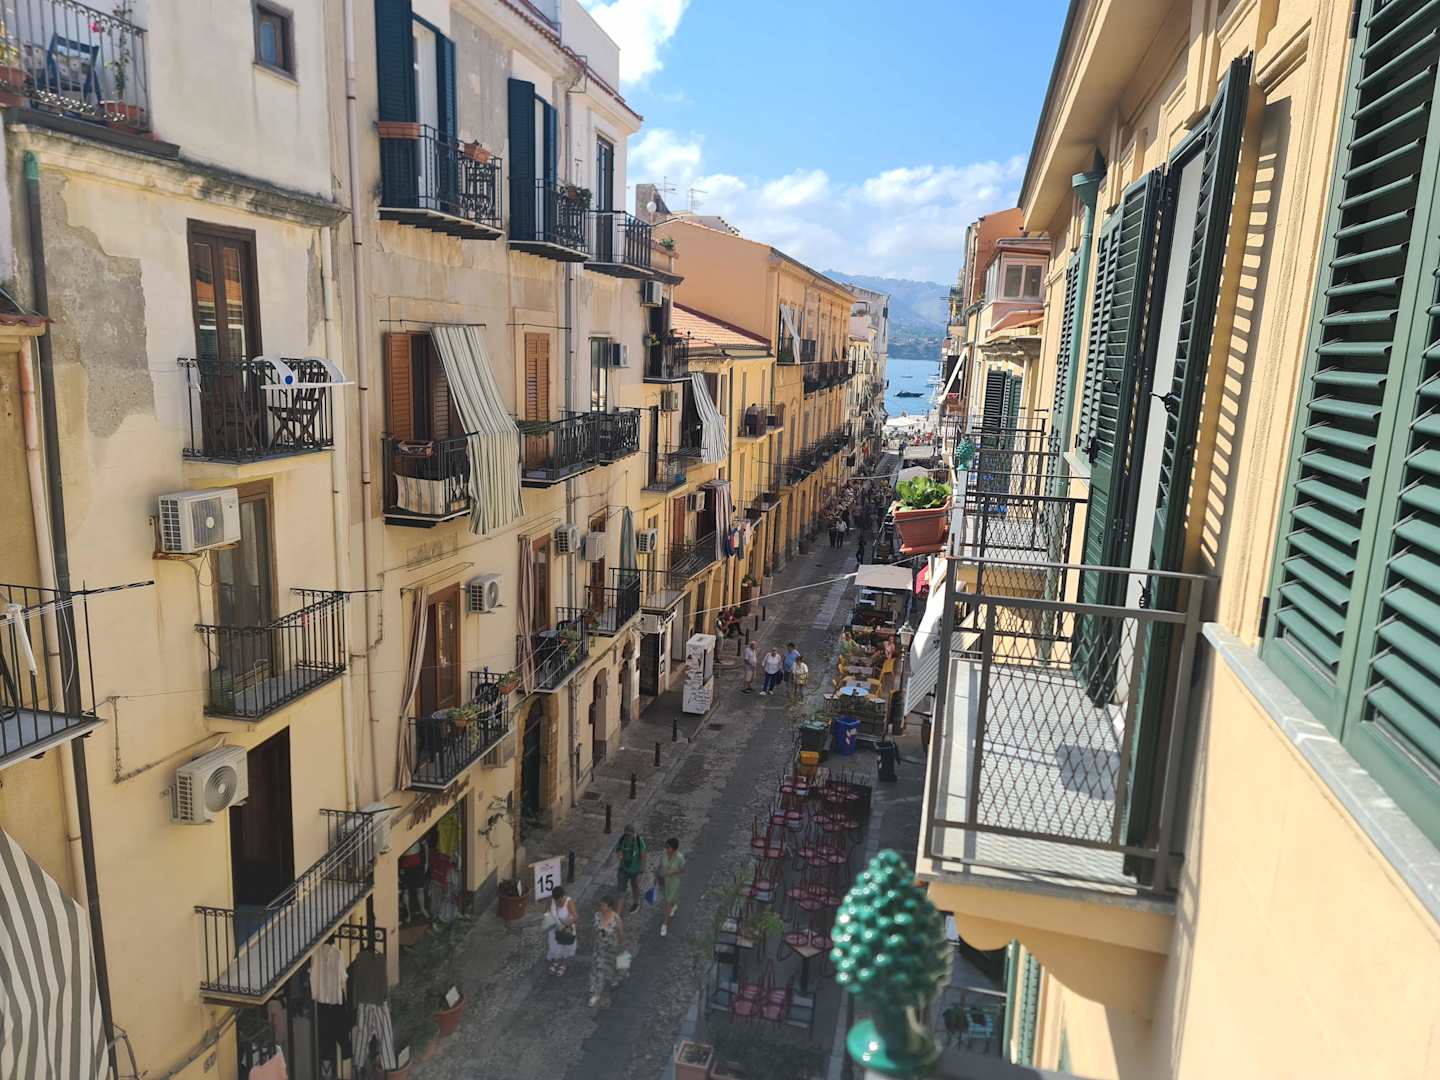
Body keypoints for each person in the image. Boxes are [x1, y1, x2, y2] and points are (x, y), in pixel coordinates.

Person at [589, 895, 625, 1008]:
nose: (601, 907)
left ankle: (600, 991)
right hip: (599, 947)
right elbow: (594, 930)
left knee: (608, 967)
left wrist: (620, 948)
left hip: (611, 948)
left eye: (604, 906)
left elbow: (621, 934)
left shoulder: (616, 918)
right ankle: (596, 990)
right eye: (601, 905)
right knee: (597, 968)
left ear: (610, 907)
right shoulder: (597, 915)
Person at [655, 838, 685, 937]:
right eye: (666, 846)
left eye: (668, 847)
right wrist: (657, 876)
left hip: (674, 882)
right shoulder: (664, 854)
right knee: (670, 899)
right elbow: (660, 865)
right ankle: (674, 905)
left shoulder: (680, 858)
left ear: (674, 849)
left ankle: (664, 924)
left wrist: (673, 871)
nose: (666, 848)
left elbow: (683, 870)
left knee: (668, 902)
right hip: (664, 880)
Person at [613, 824, 646, 913]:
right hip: (623, 869)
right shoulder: (622, 839)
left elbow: (643, 857)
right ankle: (617, 915)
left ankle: (636, 902)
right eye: (626, 834)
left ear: (633, 834)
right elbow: (618, 849)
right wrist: (619, 854)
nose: (627, 836)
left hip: (635, 870)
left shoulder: (639, 841)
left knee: (635, 886)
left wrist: (641, 872)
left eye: (629, 835)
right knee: (621, 891)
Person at [546, 886, 578, 976]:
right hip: (556, 928)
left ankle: (564, 963)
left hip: (566, 928)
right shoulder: (553, 901)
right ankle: (556, 961)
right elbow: (547, 912)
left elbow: (575, 917)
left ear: (563, 896)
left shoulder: (569, 902)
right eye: (556, 900)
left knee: (565, 947)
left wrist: (564, 925)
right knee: (555, 946)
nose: (558, 902)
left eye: (559, 900)